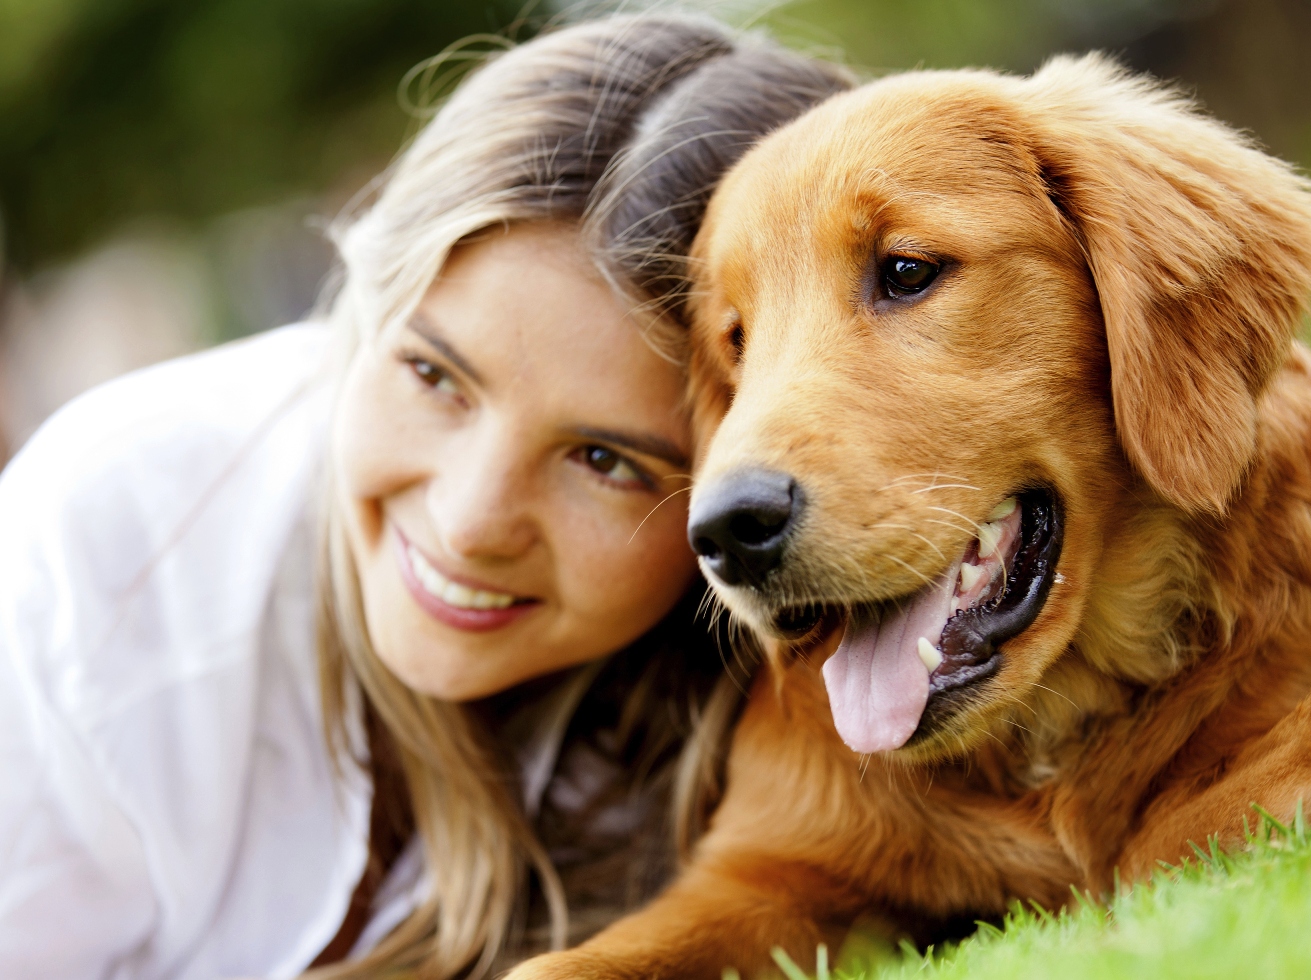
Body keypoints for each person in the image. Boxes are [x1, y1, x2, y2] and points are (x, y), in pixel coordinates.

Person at [0, 15, 850, 980]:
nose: (468, 522)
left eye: (606, 461)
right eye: (433, 376)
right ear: (365, 306)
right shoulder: (105, 555)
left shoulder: (764, 701)